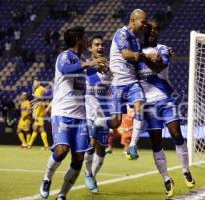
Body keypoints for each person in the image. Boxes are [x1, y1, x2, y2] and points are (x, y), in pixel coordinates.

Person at [39, 26, 107, 200]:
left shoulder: (82, 59)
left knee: (78, 159)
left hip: (80, 116)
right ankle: (47, 178)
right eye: (85, 38)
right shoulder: (65, 56)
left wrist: (102, 69)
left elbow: (92, 76)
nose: (86, 41)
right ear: (78, 39)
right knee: (62, 150)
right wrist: (89, 64)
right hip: (62, 113)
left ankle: (62, 195)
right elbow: (66, 70)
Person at [138, 20, 195, 199]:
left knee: (176, 133)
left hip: (164, 98)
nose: (154, 31)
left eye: (157, 29)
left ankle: (185, 169)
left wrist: (143, 58)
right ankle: (167, 179)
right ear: (144, 31)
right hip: (147, 104)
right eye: (151, 29)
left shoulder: (162, 48)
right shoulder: (135, 52)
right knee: (156, 143)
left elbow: (159, 66)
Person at [93, 9, 157, 160]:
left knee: (140, 106)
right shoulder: (122, 34)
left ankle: (133, 145)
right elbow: (126, 54)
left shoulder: (136, 39)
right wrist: (141, 55)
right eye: (143, 22)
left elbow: (140, 57)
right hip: (117, 84)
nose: (144, 25)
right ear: (132, 20)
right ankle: (97, 123)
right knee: (115, 122)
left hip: (132, 82)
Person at [83, 35, 111, 193]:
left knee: (101, 150)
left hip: (104, 114)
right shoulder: (85, 66)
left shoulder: (110, 67)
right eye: (96, 45)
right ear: (90, 48)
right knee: (91, 145)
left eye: (102, 45)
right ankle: (87, 173)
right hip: (88, 113)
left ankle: (92, 175)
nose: (100, 47)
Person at [28, 79, 49, 149]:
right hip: (41, 109)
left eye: (35, 82)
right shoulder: (43, 89)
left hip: (39, 110)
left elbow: (37, 100)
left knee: (41, 129)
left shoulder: (38, 90)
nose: (34, 84)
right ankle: (29, 144)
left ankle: (46, 146)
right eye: (33, 82)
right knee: (36, 129)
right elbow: (47, 96)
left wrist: (34, 113)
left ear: (39, 82)